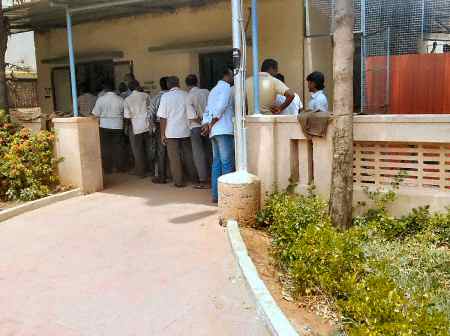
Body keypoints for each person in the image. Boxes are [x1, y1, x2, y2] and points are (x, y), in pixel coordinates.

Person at [202, 68, 235, 203]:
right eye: (232, 75)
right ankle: (226, 198)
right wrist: (212, 122)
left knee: (216, 163)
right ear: (226, 75)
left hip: (213, 131)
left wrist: (207, 124)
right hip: (223, 129)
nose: (233, 77)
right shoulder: (226, 87)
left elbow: (207, 110)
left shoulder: (213, 90)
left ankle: (216, 196)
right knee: (226, 163)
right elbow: (221, 107)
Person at [157, 76, 197, 188]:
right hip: (185, 130)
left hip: (171, 132)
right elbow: (191, 114)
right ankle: (194, 178)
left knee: (174, 158)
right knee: (189, 155)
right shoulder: (186, 95)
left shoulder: (165, 97)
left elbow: (162, 117)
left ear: (168, 85)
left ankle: (179, 181)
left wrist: (162, 134)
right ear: (178, 83)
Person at [92, 81, 126, 174]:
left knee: (106, 147)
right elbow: (125, 114)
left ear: (105, 89)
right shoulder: (120, 99)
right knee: (118, 147)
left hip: (104, 125)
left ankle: (108, 168)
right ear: (114, 89)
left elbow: (95, 113)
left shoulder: (100, 99)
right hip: (118, 125)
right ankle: (120, 167)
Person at [124, 80, 155, 178]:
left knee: (137, 150)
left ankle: (141, 172)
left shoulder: (127, 99)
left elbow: (127, 117)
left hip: (135, 127)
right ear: (138, 86)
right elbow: (151, 110)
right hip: (147, 126)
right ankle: (152, 170)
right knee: (149, 149)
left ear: (129, 88)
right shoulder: (145, 96)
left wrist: (126, 127)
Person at [185, 74, 211, 189]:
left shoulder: (189, 96)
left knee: (198, 154)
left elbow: (192, 116)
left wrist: (202, 122)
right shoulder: (206, 92)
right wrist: (206, 123)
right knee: (210, 151)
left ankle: (203, 180)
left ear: (187, 84)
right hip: (209, 126)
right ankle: (213, 177)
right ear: (197, 81)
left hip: (196, 127)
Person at [150, 77, 171, 184]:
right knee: (175, 151)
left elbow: (151, 115)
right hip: (174, 124)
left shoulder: (156, 98)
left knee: (161, 151)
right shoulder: (175, 96)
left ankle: (162, 176)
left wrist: (152, 128)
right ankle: (174, 174)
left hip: (160, 125)